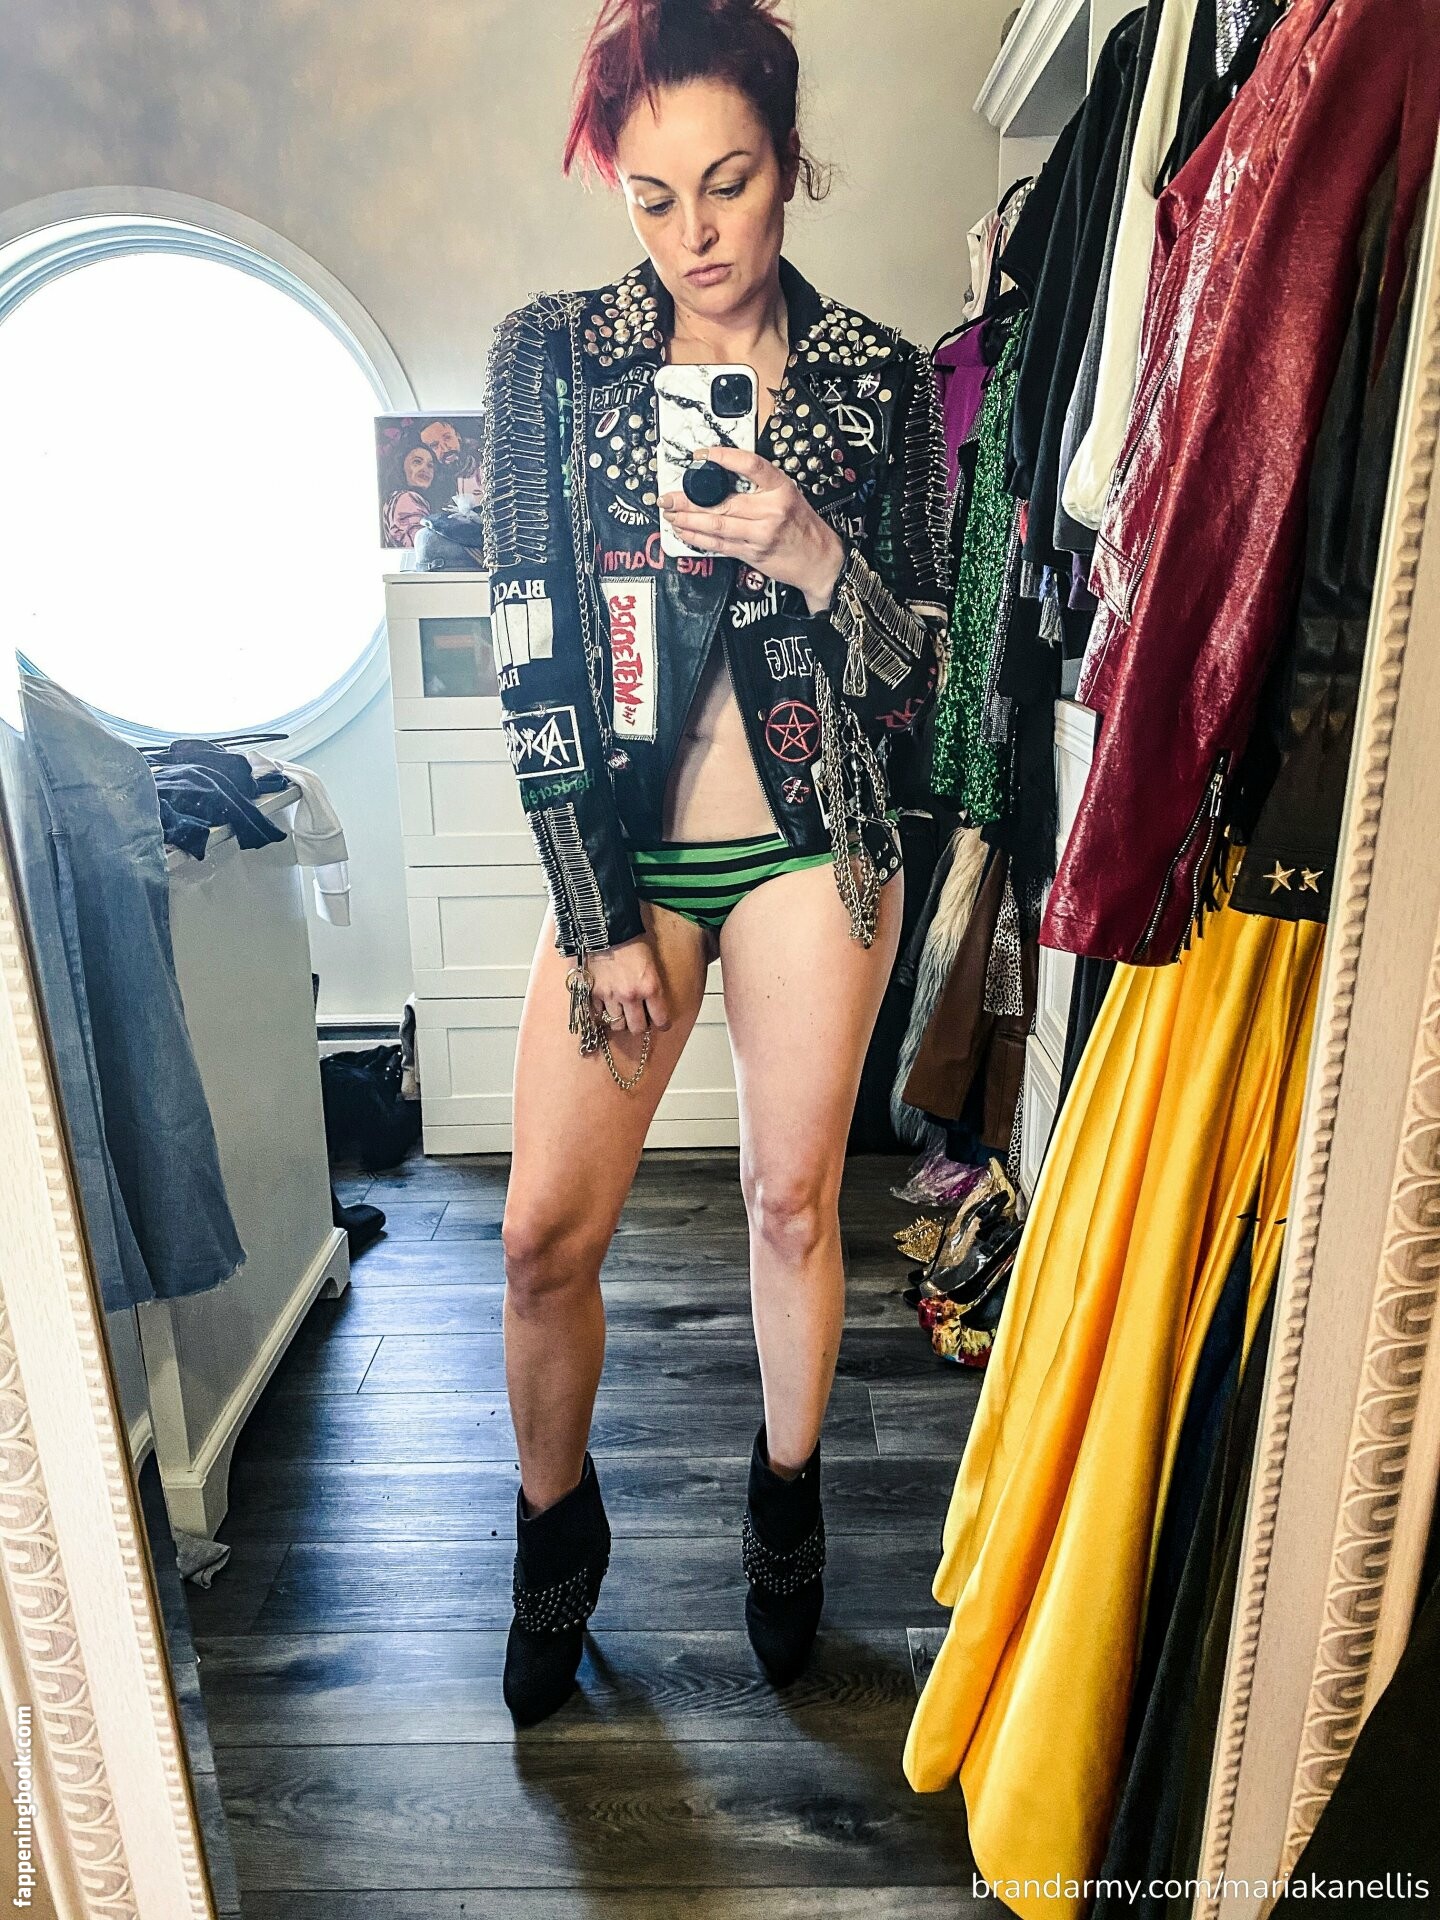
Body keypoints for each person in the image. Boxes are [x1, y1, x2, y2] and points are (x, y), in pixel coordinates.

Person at [483, 0, 950, 1726]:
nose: (694, 235)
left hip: (812, 848)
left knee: (791, 1200)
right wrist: (599, 913)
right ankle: (554, 1529)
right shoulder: (550, 358)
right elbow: (528, 642)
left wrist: (815, 549)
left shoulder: (881, 380)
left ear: (789, 162)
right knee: (542, 1237)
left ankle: (786, 1494)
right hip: (625, 857)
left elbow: (923, 678)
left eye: (731, 185)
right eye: (653, 196)